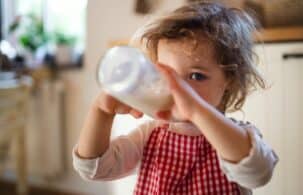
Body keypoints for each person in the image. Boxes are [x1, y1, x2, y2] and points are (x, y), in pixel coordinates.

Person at [73, 2, 278, 194]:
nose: (178, 89)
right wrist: (101, 113)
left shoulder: (238, 137)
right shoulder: (150, 135)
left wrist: (196, 110)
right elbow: (93, 169)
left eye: (196, 76)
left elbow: (257, 173)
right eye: (166, 75)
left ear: (229, 80)